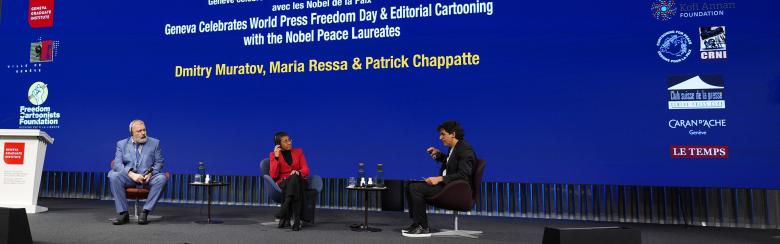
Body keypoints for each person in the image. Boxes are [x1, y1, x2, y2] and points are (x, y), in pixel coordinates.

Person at [403, 121, 477, 237]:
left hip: (455, 190)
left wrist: (440, 178)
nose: (440, 137)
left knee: (415, 188)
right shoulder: (454, 147)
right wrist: (438, 155)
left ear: (452, 134)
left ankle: (422, 227)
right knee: (409, 184)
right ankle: (416, 223)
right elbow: (451, 164)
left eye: (443, 134)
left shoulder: (465, 149)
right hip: (448, 186)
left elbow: (464, 175)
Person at [108, 119, 167, 225]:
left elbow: (159, 163)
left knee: (161, 178)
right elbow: (117, 164)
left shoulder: (155, 143)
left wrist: (151, 173)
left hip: (147, 178)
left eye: (144, 130)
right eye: (139, 131)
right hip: (129, 177)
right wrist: (131, 174)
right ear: (132, 133)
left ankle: (145, 212)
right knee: (113, 175)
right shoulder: (121, 144)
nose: (143, 133)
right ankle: (123, 213)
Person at [268, 131, 310, 231]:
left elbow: (306, 170)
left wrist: (298, 172)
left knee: (295, 178)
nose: (289, 142)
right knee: (295, 185)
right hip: (284, 182)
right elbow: (273, 175)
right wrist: (276, 157)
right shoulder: (273, 155)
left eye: (289, 140)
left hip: (299, 179)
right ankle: (296, 220)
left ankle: (285, 206)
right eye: (285, 141)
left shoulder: (299, 152)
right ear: (279, 144)